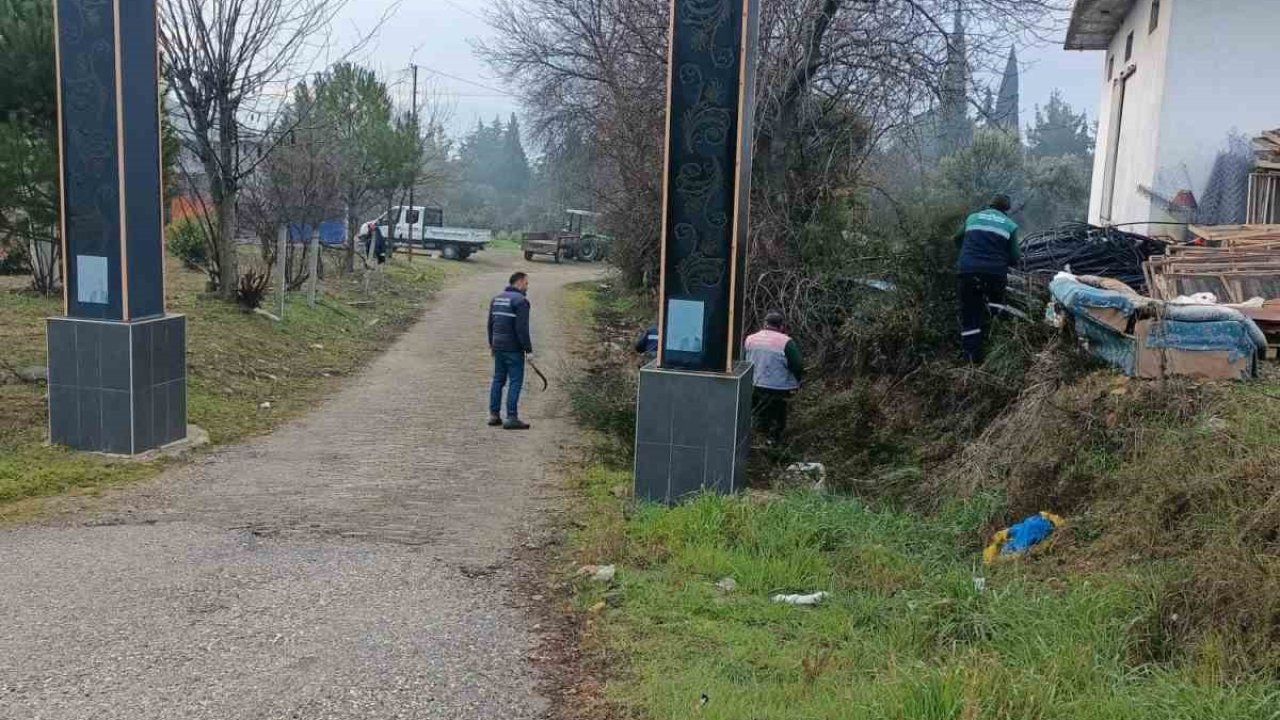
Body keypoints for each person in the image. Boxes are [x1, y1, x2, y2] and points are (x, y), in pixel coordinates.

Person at [955, 194, 1021, 363]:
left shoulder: (972, 218)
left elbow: (957, 238)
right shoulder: (1010, 225)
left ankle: (970, 357)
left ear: (989, 205)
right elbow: (1015, 256)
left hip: (968, 271)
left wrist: (965, 255)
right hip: (995, 274)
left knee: (970, 313)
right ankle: (996, 341)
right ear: (1007, 209)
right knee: (996, 306)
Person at [744, 311, 803, 447]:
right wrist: (798, 381)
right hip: (779, 387)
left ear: (765, 324)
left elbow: (744, 360)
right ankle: (773, 443)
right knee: (777, 417)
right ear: (781, 326)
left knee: (758, 413)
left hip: (755, 383)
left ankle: (756, 440)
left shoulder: (750, 339)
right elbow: (797, 365)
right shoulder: (786, 342)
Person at [487, 272, 533, 429]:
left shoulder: (496, 298)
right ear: (519, 283)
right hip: (513, 349)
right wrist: (528, 350)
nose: (527, 287)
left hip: (498, 346)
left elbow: (490, 324)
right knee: (515, 381)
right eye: (526, 284)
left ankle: (494, 415)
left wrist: (492, 345)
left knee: (498, 380)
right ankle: (511, 417)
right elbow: (522, 329)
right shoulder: (521, 301)